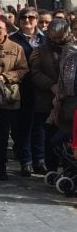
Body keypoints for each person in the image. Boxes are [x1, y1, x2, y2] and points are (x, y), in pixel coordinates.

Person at [0, 16, 28, 180]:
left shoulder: (16, 48)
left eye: (0, 28)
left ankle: (0, 166)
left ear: (6, 30)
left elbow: (23, 70)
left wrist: (6, 76)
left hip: (7, 97)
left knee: (2, 135)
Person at [30, 18, 72, 174]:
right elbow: (35, 73)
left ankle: (69, 169)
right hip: (47, 101)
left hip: (70, 103)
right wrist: (51, 85)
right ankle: (52, 169)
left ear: (66, 34)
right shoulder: (41, 50)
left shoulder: (73, 49)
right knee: (49, 139)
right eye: (52, 38)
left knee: (68, 139)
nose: (56, 41)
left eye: (59, 38)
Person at [9, 7, 47, 176]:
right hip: (23, 87)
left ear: (37, 20)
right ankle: (26, 160)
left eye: (31, 18)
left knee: (40, 125)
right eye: (24, 17)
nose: (27, 20)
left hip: (43, 89)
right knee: (24, 125)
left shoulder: (45, 39)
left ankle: (40, 159)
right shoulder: (13, 39)